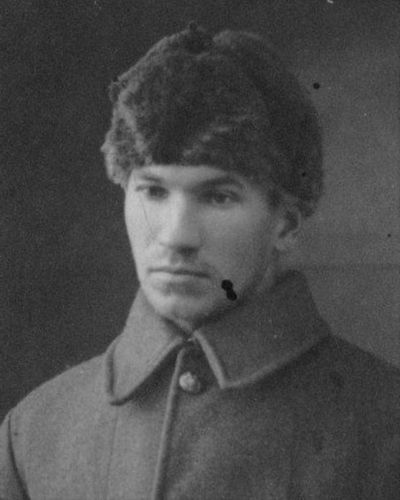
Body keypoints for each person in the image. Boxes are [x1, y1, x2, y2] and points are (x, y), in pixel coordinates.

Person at [1, 23, 399, 500]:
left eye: (218, 196)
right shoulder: (35, 432)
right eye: (153, 191)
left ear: (286, 224)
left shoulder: (384, 427)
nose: (176, 236)